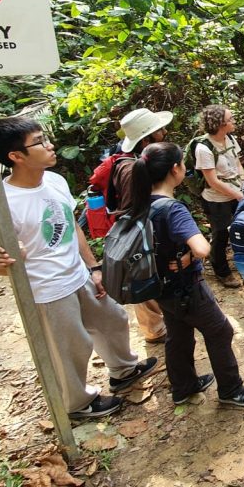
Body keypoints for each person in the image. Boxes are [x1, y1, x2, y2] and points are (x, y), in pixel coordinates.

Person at [0, 117, 158, 419]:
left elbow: (71, 225)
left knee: (112, 319)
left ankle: (123, 370)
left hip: (78, 273)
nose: (50, 146)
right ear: (16, 156)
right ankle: (77, 403)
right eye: (39, 142)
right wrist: (3, 262)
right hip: (47, 289)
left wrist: (93, 267)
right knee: (70, 348)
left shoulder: (54, 181)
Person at [127, 142, 244, 408]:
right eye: (183, 164)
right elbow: (202, 248)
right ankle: (231, 390)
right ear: (175, 169)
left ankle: (183, 387)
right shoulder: (172, 208)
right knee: (220, 330)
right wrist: (189, 256)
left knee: (178, 333)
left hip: (159, 286)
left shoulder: (140, 201)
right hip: (186, 287)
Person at [91, 107, 174, 344]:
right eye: (159, 131)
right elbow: (131, 207)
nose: (165, 133)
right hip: (138, 233)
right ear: (146, 140)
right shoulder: (131, 169)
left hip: (141, 229)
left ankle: (157, 325)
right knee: (143, 275)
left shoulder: (135, 163)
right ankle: (154, 329)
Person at [195, 105, 244, 289]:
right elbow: (213, 181)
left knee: (240, 228)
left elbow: (237, 162)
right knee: (221, 234)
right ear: (220, 123)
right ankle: (221, 271)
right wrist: (238, 194)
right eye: (230, 119)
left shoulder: (229, 138)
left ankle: (242, 262)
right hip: (216, 199)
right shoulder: (204, 148)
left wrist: (243, 181)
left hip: (235, 193)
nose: (233, 121)